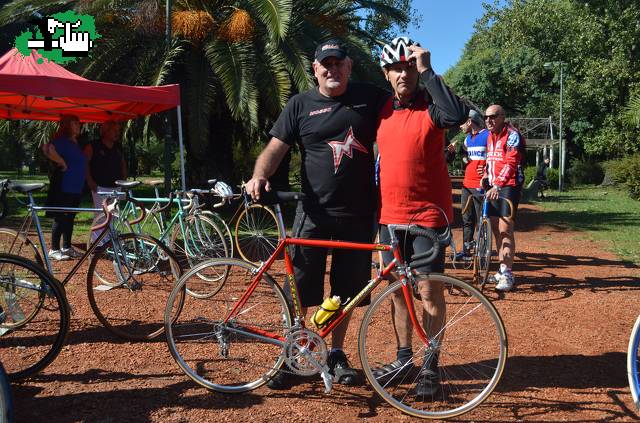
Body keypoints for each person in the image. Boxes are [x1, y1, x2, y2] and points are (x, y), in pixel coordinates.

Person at [245, 39, 388, 389]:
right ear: (315, 69)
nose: (332, 69)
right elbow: (275, 147)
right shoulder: (300, 104)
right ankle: (295, 352)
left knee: (347, 290)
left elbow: (404, 115)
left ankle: (336, 354)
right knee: (300, 288)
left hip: (358, 215)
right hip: (313, 212)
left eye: (338, 63)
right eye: (325, 64)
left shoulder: (371, 98)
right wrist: (259, 175)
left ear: (349, 66)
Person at [375, 37, 468, 397]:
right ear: (386, 73)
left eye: (409, 66)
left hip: (428, 218)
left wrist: (428, 70)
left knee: (430, 292)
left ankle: (430, 364)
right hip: (388, 217)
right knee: (398, 293)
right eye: (396, 68)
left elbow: (457, 115)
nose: (404, 73)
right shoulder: (380, 111)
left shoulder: (433, 107)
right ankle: (403, 358)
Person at [482, 104, 525, 291]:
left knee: (505, 229)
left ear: (502, 117)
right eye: (486, 117)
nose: (489, 120)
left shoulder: (512, 134)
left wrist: (498, 185)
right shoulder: (489, 136)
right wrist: (485, 175)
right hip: (493, 186)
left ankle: (508, 273)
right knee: (495, 230)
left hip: (508, 186)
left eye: (493, 116)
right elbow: (490, 160)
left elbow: (511, 162)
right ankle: (502, 268)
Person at [42, 115, 86, 261]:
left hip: (75, 187)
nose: (79, 125)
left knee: (70, 217)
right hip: (65, 186)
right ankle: (54, 249)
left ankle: (66, 247)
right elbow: (46, 148)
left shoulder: (74, 142)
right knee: (61, 217)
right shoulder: (62, 141)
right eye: (75, 123)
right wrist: (61, 161)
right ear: (67, 125)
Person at [84, 121, 127, 241]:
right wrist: (90, 181)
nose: (117, 133)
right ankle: (98, 243)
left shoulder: (118, 147)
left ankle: (110, 241)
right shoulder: (93, 146)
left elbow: (123, 163)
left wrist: (124, 180)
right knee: (102, 215)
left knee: (114, 215)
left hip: (116, 186)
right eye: (115, 130)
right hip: (99, 187)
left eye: (118, 131)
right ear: (106, 131)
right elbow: (85, 163)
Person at [459, 109, 489, 259]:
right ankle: (466, 251)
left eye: (463, 123)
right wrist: (466, 160)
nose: (460, 126)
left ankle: (482, 251)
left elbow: (495, 155)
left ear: (470, 122)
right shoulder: (467, 139)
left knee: (480, 219)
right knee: (466, 218)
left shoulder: (488, 135)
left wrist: (487, 169)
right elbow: (464, 152)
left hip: (480, 184)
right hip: (466, 184)